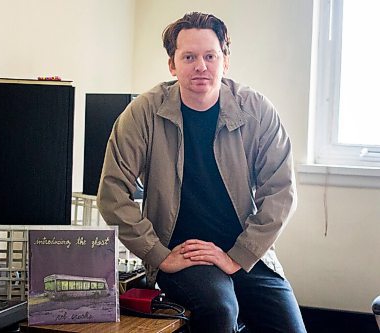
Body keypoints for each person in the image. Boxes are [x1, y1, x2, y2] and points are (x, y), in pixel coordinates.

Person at [97, 11, 306, 333]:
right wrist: (158, 255)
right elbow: (112, 193)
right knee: (220, 309)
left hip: (244, 249)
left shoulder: (256, 110)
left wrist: (237, 256)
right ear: (172, 64)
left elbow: (281, 191)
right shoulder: (143, 112)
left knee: (289, 327)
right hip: (181, 252)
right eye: (189, 56)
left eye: (210, 55)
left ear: (225, 60)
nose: (201, 66)